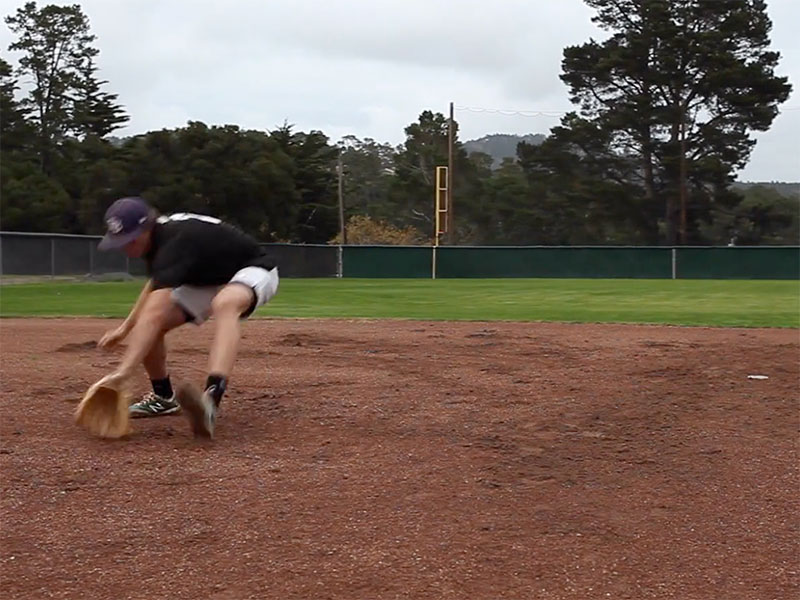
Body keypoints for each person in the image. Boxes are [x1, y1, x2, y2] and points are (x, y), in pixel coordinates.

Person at [94, 196, 279, 438]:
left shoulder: (176, 239)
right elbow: (154, 290)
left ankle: (211, 400)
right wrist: (126, 327)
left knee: (225, 303)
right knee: (150, 325)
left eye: (130, 240)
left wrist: (122, 373)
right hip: (204, 280)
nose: (126, 248)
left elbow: (152, 310)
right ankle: (163, 397)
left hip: (252, 268)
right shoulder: (156, 241)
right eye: (121, 242)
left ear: (147, 227)